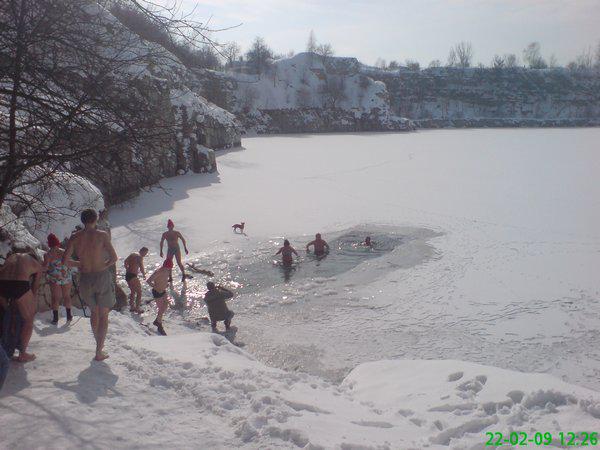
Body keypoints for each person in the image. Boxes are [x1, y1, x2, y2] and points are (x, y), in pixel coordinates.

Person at [63, 209, 118, 361]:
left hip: (85, 277)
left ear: (82, 220)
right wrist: (104, 265)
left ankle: (98, 345)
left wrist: (80, 264)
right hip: (101, 276)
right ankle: (99, 350)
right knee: (104, 314)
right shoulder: (102, 235)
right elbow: (114, 258)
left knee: (94, 312)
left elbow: (65, 261)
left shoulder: (75, 237)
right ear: (96, 219)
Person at [0, 249, 43, 362]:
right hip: (19, 284)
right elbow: (34, 287)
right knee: (29, 320)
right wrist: (31, 304)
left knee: (7, 314)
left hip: (1, 283)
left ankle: (5, 348)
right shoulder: (37, 264)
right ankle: (22, 354)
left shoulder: (13, 257)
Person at [44, 233, 74, 324]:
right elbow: (69, 263)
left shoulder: (48, 255)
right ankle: (69, 316)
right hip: (66, 276)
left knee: (55, 298)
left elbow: (45, 267)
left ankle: (55, 318)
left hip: (54, 277)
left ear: (49, 244)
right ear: (57, 242)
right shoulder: (64, 252)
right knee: (67, 296)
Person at [145, 259, 171, 336]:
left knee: (165, 305)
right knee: (161, 308)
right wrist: (155, 287)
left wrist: (166, 284)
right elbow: (149, 281)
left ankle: (157, 320)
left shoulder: (167, 271)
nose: (169, 269)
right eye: (168, 267)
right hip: (157, 291)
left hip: (163, 290)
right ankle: (159, 325)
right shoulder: (158, 271)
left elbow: (164, 279)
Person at [123, 247, 148, 314]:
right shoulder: (139, 257)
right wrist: (144, 275)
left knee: (133, 291)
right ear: (142, 251)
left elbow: (125, 261)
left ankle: (132, 307)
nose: (145, 255)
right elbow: (141, 267)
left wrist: (127, 269)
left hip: (128, 275)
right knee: (139, 292)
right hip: (133, 275)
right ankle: (137, 308)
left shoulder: (133, 254)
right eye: (145, 253)